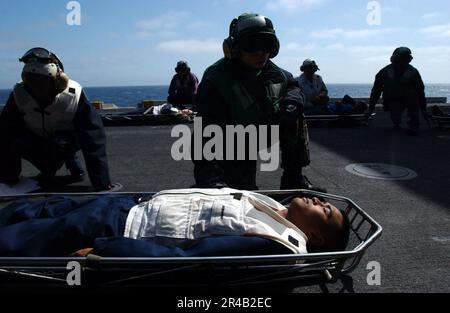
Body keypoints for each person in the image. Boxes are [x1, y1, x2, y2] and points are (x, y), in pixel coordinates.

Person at [0, 188, 350, 257]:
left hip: (117, 230)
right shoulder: (271, 206)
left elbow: (193, 257)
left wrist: (108, 252)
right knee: (36, 208)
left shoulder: (275, 242)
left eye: (326, 210)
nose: (320, 201)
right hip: (129, 205)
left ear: (315, 238)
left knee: (24, 237)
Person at [193, 13, 322, 191]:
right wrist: (211, 178)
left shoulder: (275, 73)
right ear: (235, 47)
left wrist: (292, 102)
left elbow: (293, 85)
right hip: (231, 140)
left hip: (261, 131)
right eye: (252, 45)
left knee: (295, 115)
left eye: (266, 45)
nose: (261, 52)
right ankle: (212, 181)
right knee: (240, 195)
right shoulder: (216, 78)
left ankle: (293, 178)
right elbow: (206, 131)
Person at [0, 47, 113, 191]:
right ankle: (44, 170)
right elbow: (5, 133)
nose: (37, 87)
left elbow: (93, 137)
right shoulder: (19, 94)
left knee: (63, 143)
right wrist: (7, 179)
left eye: (43, 82)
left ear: (56, 80)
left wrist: (101, 181)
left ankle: (73, 166)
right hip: (38, 136)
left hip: (67, 139)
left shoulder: (73, 95)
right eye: (32, 81)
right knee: (13, 142)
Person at [365, 47, 427, 136]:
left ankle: (413, 125)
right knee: (396, 119)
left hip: (408, 98)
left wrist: (423, 109)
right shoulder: (384, 72)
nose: (402, 62)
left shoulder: (413, 72)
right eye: (401, 59)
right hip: (391, 98)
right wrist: (371, 108)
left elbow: (420, 91)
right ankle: (396, 122)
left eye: (404, 59)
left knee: (413, 94)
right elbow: (376, 90)